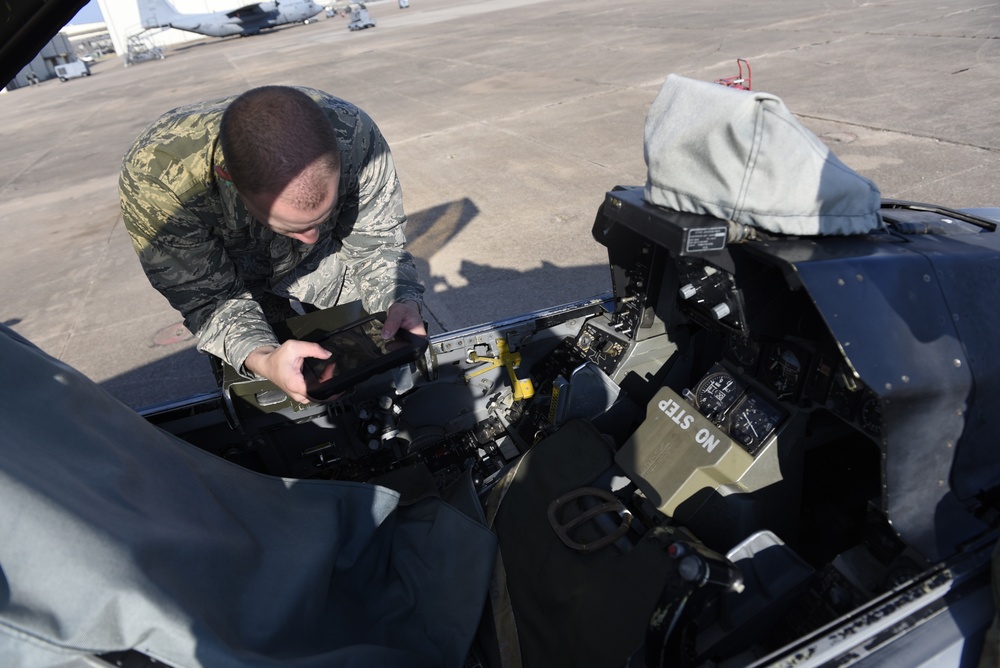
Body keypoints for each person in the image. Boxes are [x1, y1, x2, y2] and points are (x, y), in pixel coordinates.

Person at [119, 85, 425, 404]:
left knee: (369, 351)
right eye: (295, 227)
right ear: (228, 179)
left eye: (322, 219)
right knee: (268, 390)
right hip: (234, 278)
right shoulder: (157, 186)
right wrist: (264, 358)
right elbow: (210, 300)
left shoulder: (354, 135)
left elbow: (377, 245)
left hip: (322, 265)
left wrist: (399, 298)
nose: (313, 236)